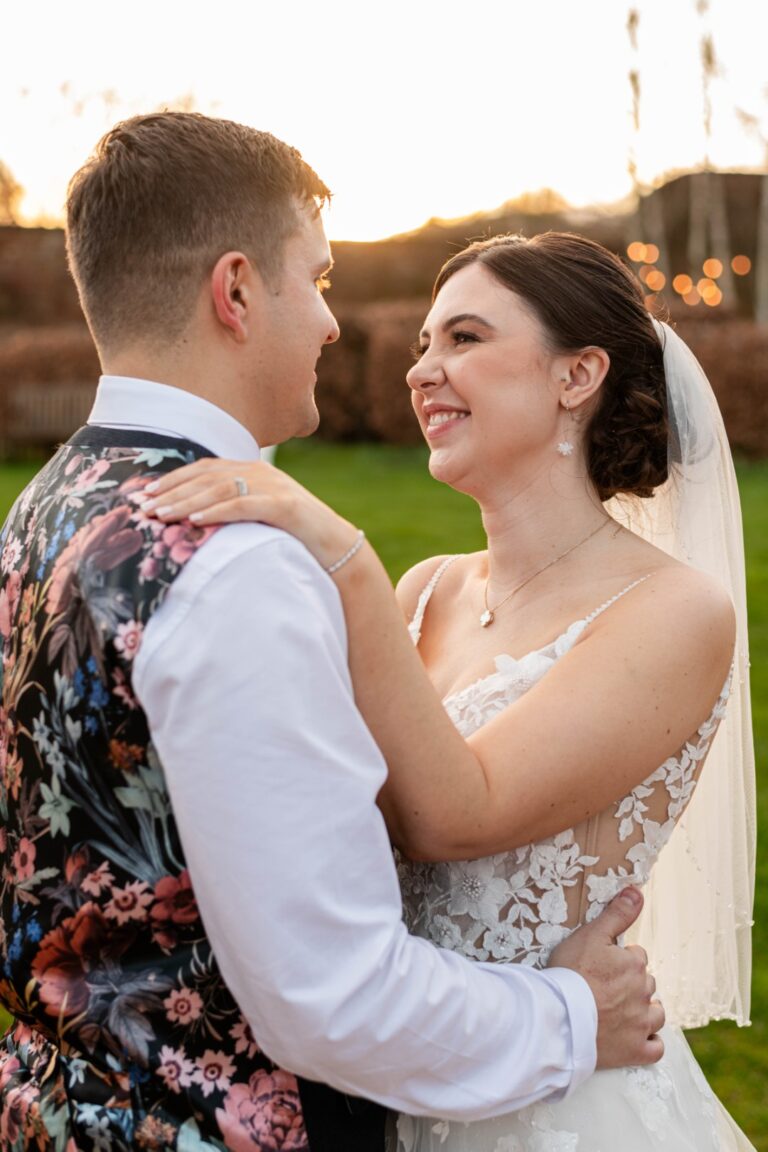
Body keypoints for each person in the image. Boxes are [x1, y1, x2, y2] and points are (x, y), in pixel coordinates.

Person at [0, 116, 661, 1151]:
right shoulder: (235, 564)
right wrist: (575, 1014)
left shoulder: (44, 509)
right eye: (317, 280)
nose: (334, 325)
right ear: (235, 291)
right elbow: (333, 995)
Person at [145, 231, 757, 1150]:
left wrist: (343, 560)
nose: (421, 370)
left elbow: (455, 815)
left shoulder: (675, 610)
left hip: (562, 1107)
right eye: (426, 343)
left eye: (465, 339)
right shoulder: (427, 591)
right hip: (416, 1066)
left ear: (576, 375)